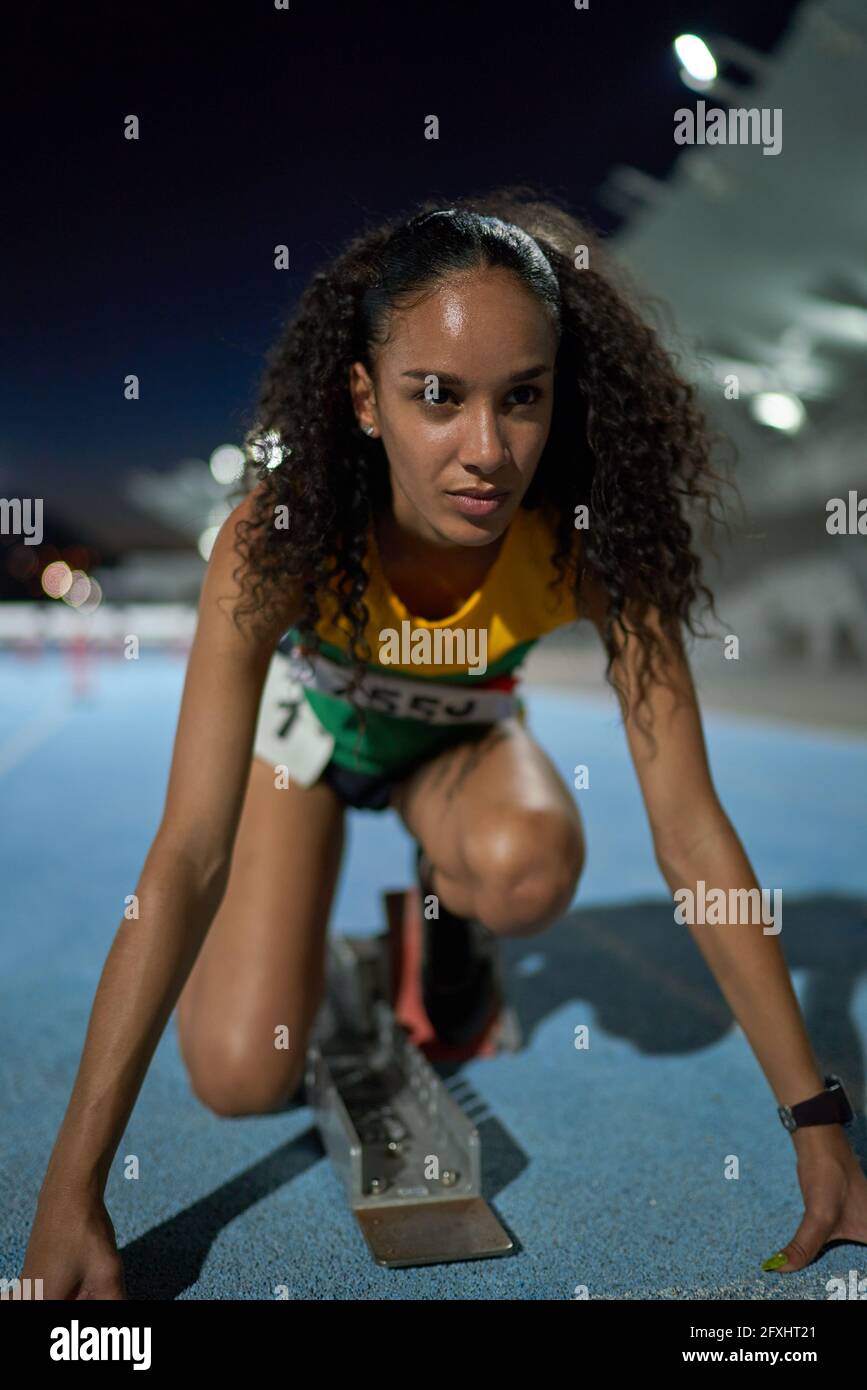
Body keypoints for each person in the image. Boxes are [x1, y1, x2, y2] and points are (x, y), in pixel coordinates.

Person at [22, 192, 867, 1299]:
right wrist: (71, 1190)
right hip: (315, 749)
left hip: (454, 755)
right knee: (237, 1075)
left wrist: (818, 1120)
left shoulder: (589, 547)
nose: (487, 452)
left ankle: (451, 913)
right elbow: (187, 851)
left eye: (522, 398)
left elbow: (691, 831)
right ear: (365, 398)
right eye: (438, 396)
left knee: (527, 866)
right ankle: (349, 933)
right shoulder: (278, 538)